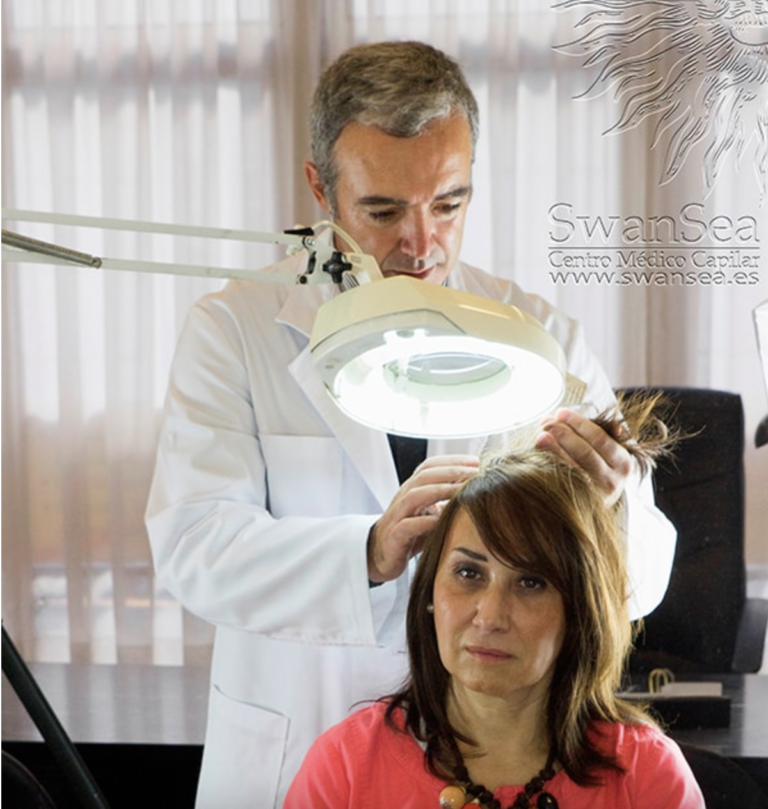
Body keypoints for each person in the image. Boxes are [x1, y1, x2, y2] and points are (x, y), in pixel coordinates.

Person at [145, 41, 677, 808]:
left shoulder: (540, 337)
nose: (421, 244)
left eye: (448, 204)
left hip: (487, 753)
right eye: (384, 211)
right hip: (298, 733)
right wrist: (368, 549)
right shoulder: (235, 329)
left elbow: (638, 586)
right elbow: (193, 548)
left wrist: (618, 503)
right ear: (321, 188)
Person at [284, 396, 704, 808]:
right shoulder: (344, 768)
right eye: (469, 574)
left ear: (579, 610)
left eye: (531, 582)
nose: (489, 617)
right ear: (429, 592)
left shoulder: (647, 776)